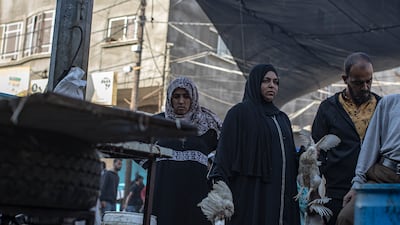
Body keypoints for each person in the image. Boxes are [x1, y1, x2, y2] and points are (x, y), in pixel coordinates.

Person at [208, 64, 300, 225]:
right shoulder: (239, 113)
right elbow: (223, 156)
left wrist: (305, 157)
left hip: (281, 197)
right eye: (266, 81)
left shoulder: (282, 118)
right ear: (255, 83)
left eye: (276, 82)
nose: (272, 85)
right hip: (251, 195)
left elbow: (289, 158)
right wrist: (221, 193)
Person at [311, 52, 381, 225]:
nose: (365, 87)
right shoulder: (328, 108)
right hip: (337, 192)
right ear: (345, 79)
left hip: (373, 189)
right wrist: (313, 189)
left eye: (369, 81)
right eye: (358, 83)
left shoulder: (382, 107)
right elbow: (315, 151)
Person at [152, 76, 222, 225]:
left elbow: (226, 152)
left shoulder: (209, 126)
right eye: (176, 96)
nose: (181, 101)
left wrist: (212, 170)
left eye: (186, 96)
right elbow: (133, 145)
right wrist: (151, 165)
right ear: (170, 98)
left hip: (198, 198)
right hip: (163, 195)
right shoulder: (157, 123)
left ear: (193, 98)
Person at [336, 94, 400, 225]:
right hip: (384, 176)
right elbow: (370, 145)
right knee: (347, 217)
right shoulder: (390, 102)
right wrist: (357, 184)